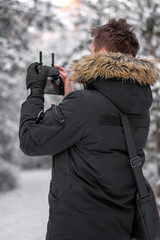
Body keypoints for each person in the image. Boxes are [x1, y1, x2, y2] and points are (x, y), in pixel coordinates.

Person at [19, 18, 159, 240]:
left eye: (92, 50)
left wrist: (35, 93)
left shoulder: (84, 106)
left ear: (101, 52)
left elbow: (30, 140)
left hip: (77, 227)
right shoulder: (139, 106)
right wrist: (71, 98)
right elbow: (99, 137)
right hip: (120, 226)